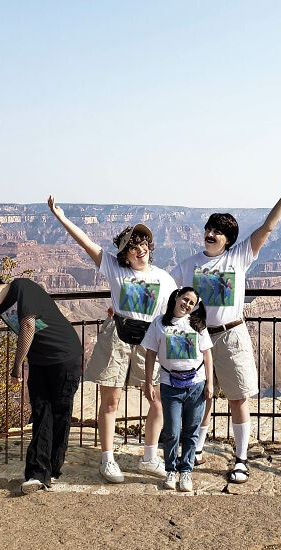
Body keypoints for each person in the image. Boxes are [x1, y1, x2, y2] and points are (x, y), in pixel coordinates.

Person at [171, 168, 281, 483]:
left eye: (217, 231)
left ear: (228, 240)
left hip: (231, 335)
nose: (210, 234)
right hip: (198, 337)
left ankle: (241, 459)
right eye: (209, 228)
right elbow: (164, 293)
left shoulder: (239, 257)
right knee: (199, 396)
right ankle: (196, 448)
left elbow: (267, 227)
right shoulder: (188, 265)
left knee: (238, 397)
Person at [48, 196, 177, 483]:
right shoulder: (114, 268)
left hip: (149, 340)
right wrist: (61, 217)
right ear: (125, 254)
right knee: (110, 401)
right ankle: (107, 459)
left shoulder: (164, 278)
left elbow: (173, 312)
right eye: (133, 246)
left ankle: (149, 457)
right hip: (117, 335)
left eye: (143, 244)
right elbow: (87, 244)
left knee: (157, 400)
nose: (140, 249)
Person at [0, 272, 83, 495]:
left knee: (60, 413)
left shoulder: (21, 287)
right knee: (41, 413)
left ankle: (53, 468)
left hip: (64, 356)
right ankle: (37, 474)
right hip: (40, 360)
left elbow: (27, 326)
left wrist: (17, 366)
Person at [143, 287, 213, 492]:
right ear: (176, 297)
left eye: (192, 303)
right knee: (172, 432)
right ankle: (171, 470)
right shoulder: (159, 323)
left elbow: (207, 355)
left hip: (196, 384)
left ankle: (186, 471)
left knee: (191, 431)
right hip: (169, 384)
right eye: (185, 299)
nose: (187, 304)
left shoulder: (197, 325)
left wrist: (209, 383)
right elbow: (150, 353)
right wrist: (148, 382)